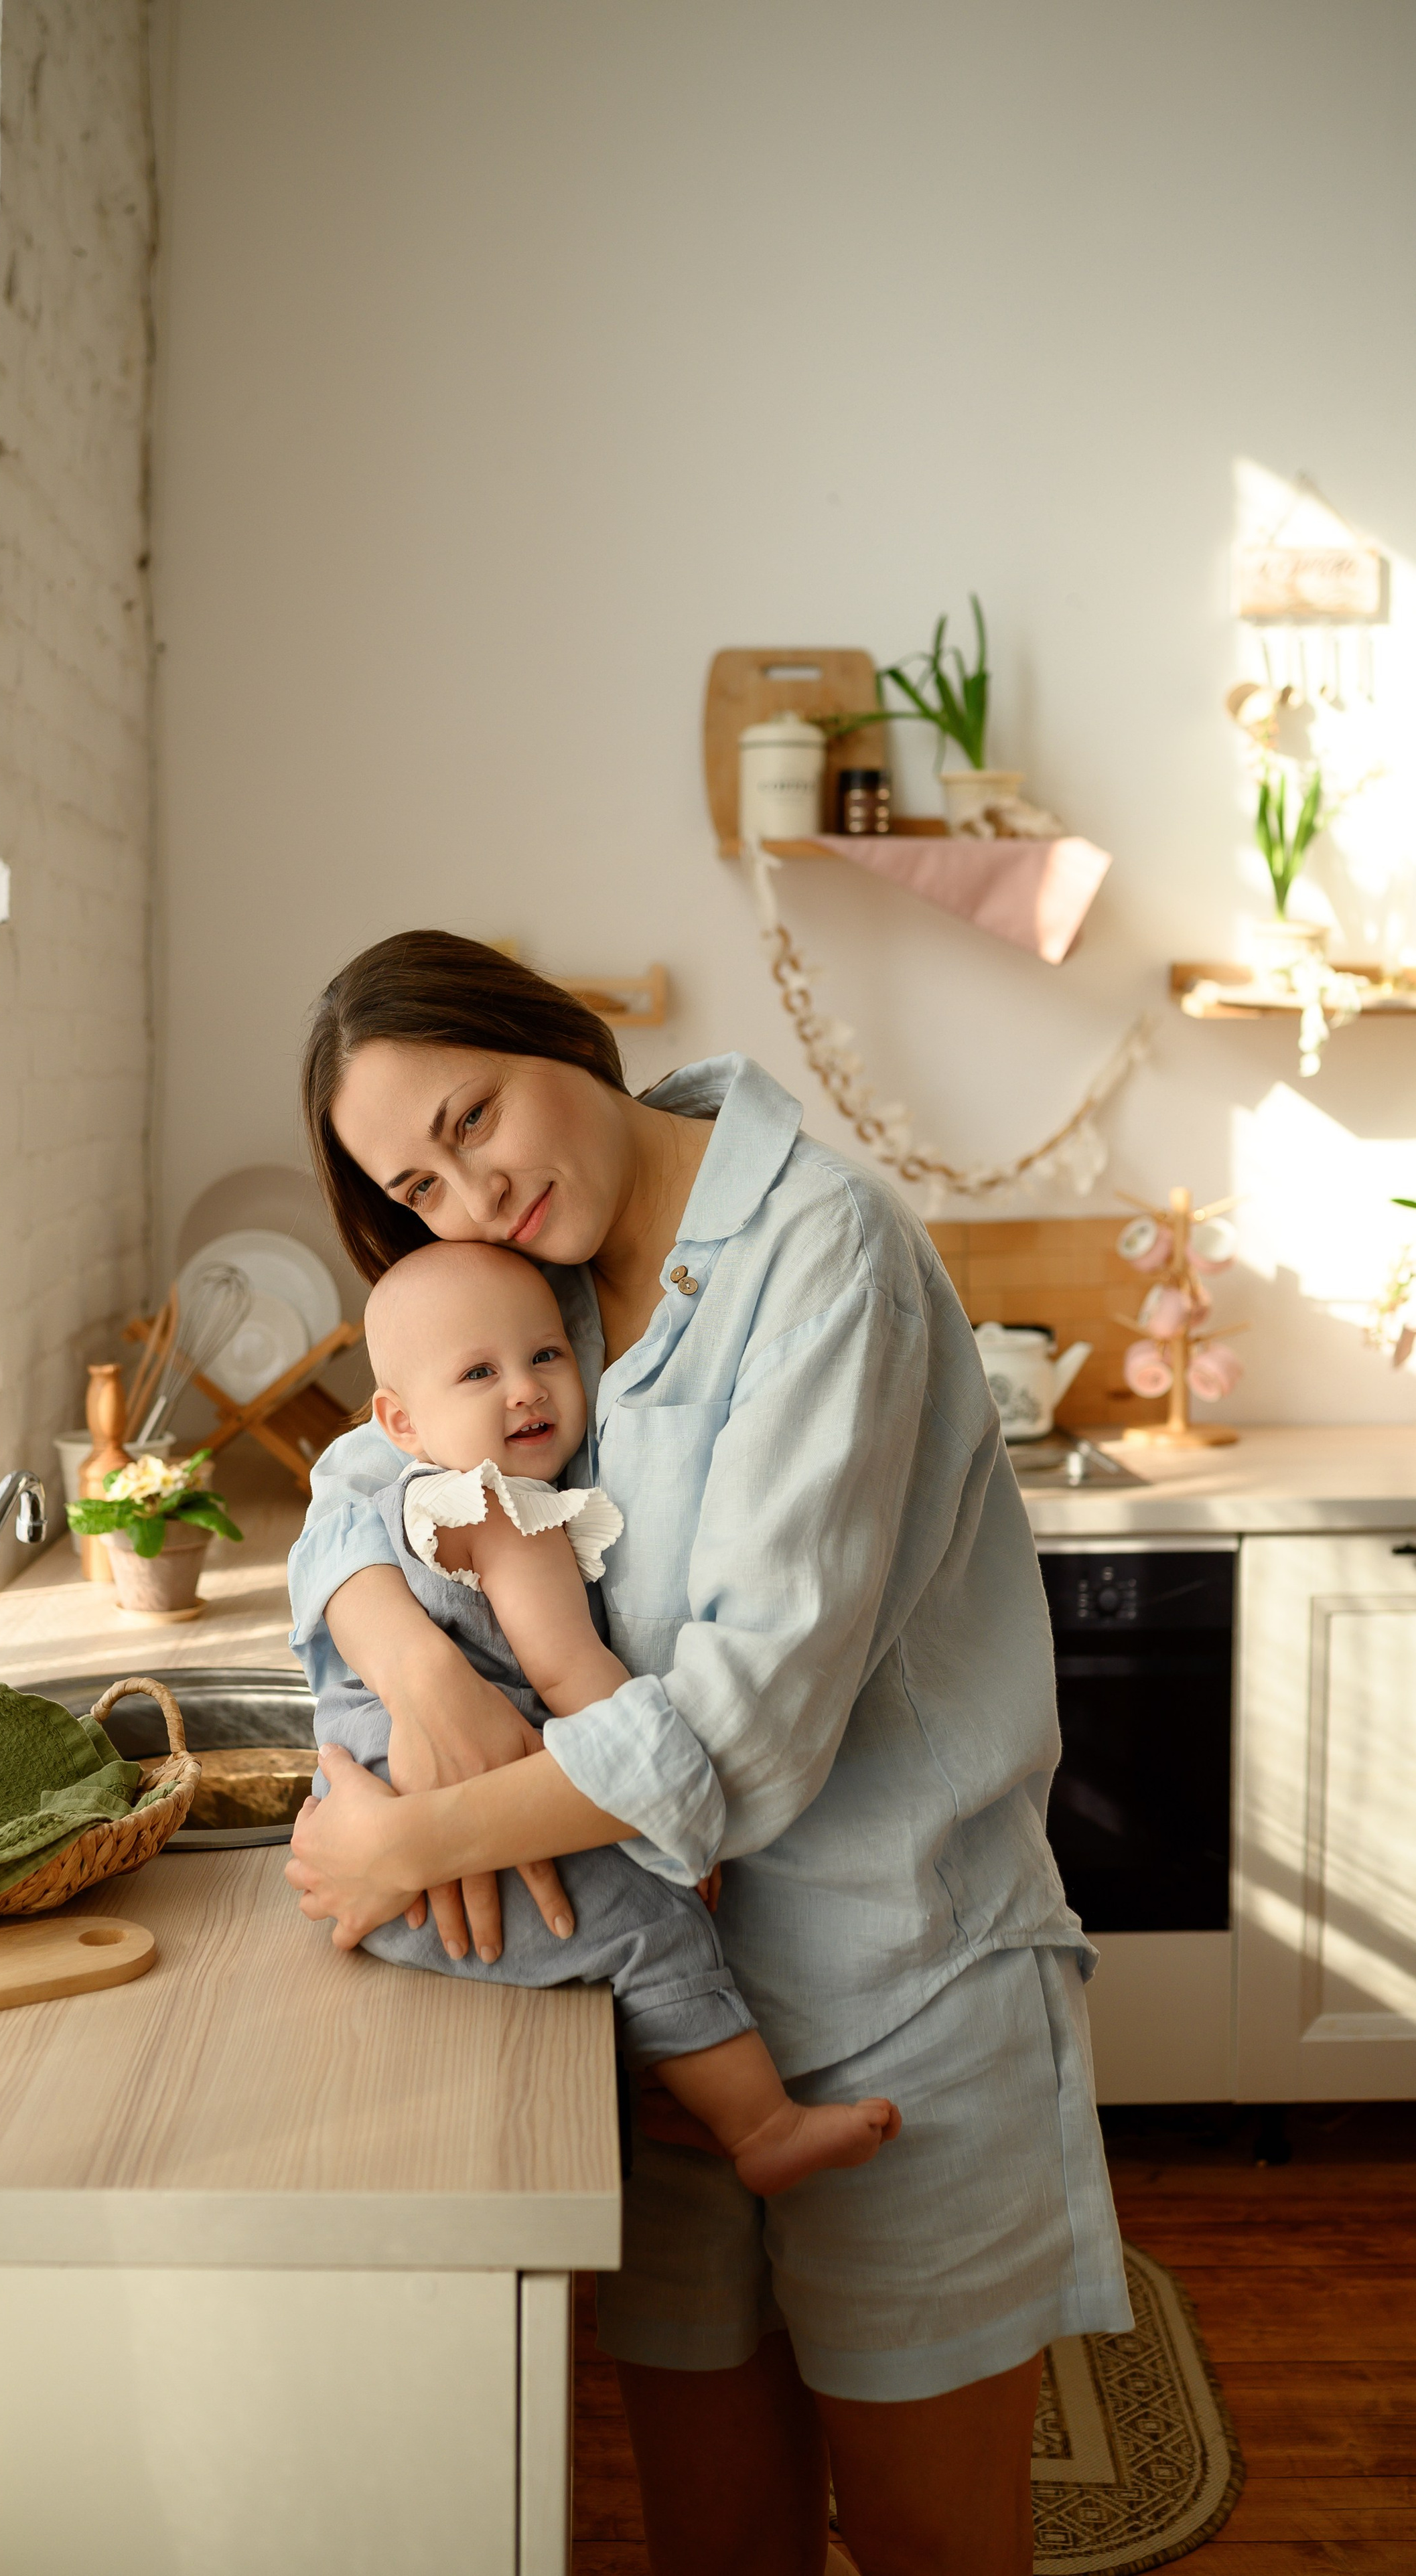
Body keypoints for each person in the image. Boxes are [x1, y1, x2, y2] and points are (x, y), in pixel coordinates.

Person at [285, 929, 1130, 2576]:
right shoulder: (535, 1292)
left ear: (566, 1037)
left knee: (925, 2540)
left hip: (899, 2004)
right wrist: (408, 1661)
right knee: (715, 2538)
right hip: (670, 2040)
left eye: (472, 1119)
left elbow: (745, 1728)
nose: (468, 1194)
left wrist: (404, 1848)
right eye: (416, 1183)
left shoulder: (824, 1252)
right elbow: (352, 1485)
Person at [301, 1233, 902, 2198]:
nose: (526, 1391)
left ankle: (682, 2084)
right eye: (480, 1372)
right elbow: (576, 1673)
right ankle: (763, 2125)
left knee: (617, 1946)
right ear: (401, 1422)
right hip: (438, 1870)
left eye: (545, 1354)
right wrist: (673, 1828)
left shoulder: (401, 1501)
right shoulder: (505, 1512)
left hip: (373, 1837)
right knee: (654, 1926)